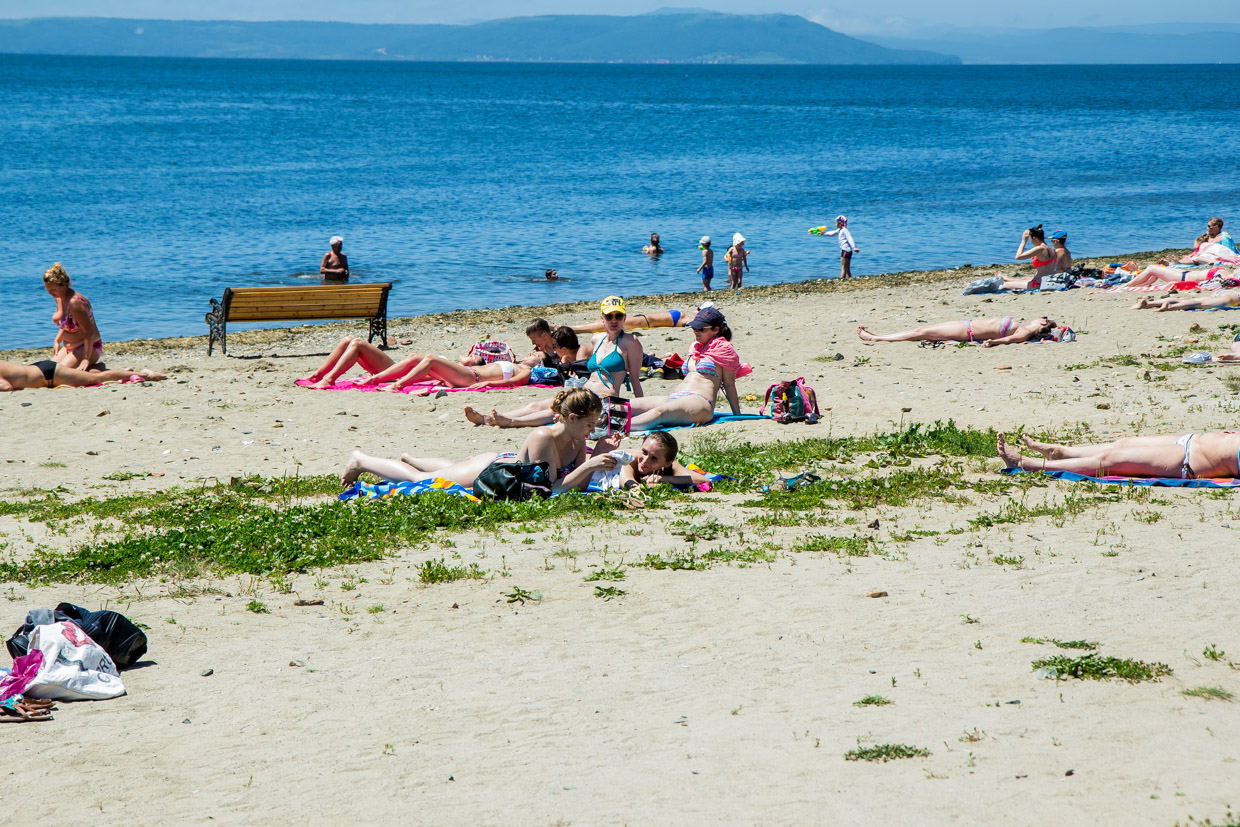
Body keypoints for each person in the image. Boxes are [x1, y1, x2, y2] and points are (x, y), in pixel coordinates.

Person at [342, 388, 615, 493]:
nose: (591, 431)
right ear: (571, 418)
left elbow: (576, 487)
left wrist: (594, 457)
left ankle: (411, 458)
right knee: (419, 481)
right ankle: (361, 459)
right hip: (492, 470)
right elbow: (552, 489)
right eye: (589, 424)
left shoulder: (577, 437)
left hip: (505, 465)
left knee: (448, 469)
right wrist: (590, 466)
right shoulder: (544, 436)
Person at [468, 297, 645, 428]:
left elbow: (635, 380)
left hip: (604, 399)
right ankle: (486, 418)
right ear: (602, 318)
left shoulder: (630, 342)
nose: (614, 320)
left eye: (618, 316)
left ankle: (511, 421)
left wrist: (641, 407)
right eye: (609, 316)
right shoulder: (596, 339)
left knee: (554, 411)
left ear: (624, 317)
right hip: (584, 391)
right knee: (536, 405)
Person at [622, 306, 744, 431]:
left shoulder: (725, 349)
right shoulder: (695, 348)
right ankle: (603, 421)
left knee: (658, 412)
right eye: (694, 328)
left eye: (700, 329)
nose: (696, 331)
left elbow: (729, 384)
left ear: (716, 329)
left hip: (700, 402)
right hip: (675, 397)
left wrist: (737, 414)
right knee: (623, 405)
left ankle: (612, 429)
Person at [998, 432, 1240, 480]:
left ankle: (1028, 465)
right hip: (1192, 439)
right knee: (1123, 443)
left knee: (1111, 459)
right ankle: (1062, 452)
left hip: (1190, 460)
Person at [367, 350, 543, 394]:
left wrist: (489, 383)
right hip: (465, 373)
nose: (530, 353)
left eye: (535, 354)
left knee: (431, 359)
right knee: (414, 357)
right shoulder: (514, 363)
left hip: (471, 377)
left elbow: (512, 383)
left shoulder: (526, 370)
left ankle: (397, 385)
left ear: (540, 363)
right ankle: (375, 379)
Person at [590, 431, 711, 491]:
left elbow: (704, 480)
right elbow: (629, 483)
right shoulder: (630, 459)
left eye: (654, 459)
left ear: (667, 463)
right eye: (644, 452)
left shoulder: (671, 465)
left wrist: (664, 478)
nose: (645, 460)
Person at [43, 263, 103, 371]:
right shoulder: (59, 297)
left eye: (53, 289)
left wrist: (86, 359)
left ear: (64, 284)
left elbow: (89, 332)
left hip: (87, 348)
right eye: (48, 289)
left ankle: (99, 369)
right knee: (47, 371)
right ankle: (95, 368)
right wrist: (57, 341)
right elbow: (65, 323)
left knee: (59, 374)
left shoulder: (75, 303)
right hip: (68, 348)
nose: (50, 293)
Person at [856, 316, 1057, 347]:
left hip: (966, 332)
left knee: (921, 333)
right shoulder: (1022, 327)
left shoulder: (1024, 333)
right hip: (965, 324)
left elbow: (1007, 341)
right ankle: (879, 335)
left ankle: (877, 337)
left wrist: (992, 342)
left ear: (1042, 323)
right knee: (921, 329)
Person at [299, 336, 401, 388]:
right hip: (395, 367)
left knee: (358, 343)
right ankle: (317, 375)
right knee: (347, 340)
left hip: (399, 371)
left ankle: (329, 380)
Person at [1, 359, 165, 391]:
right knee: (92, 375)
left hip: (49, 374)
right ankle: (100, 368)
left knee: (96, 379)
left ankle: (145, 374)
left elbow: (6, 386)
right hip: (41, 371)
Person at [998, 225, 1058, 290]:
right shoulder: (1051, 249)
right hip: (1046, 281)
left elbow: (1018, 257)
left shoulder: (1040, 249)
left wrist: (1023, 241)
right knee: (1024, 279)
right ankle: (1007, 279)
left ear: (1034, 238)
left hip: (1037, 284)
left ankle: (1006, 281)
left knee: (1005, 285)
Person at [1130, 291, 1240, 312]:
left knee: (1187, 300)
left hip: (1221, 292)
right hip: (1232, 297)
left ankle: (1148, 304)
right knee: (1200, 305)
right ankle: (1170, 307)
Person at [823, 215, 858, 279]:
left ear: (839, 223)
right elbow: (832, 233)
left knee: (843, 267)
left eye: (836, 223)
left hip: (845, 250)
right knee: (847, 268)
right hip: (848, 251)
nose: (835, 224)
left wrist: (854, 247)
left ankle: (841, 280)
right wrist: (824, 233)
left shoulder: (844, 230)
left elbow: (850, 238)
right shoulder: (840, 230)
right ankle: (849, 279)